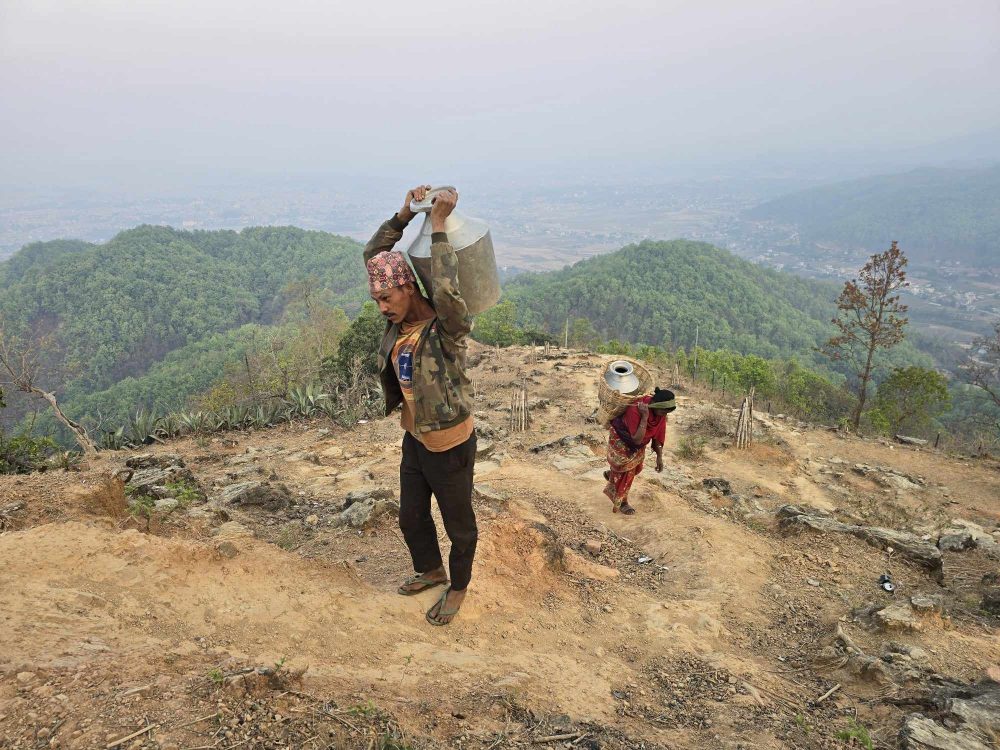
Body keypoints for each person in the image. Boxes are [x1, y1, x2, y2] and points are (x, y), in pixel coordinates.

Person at [363, 184, 477, 626]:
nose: (380, 307)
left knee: (459, 525)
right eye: (376, 299)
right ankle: (430, 569)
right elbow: (376, 252)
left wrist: (440, 227)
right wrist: (405, 212)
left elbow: (450, 294)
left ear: (408, 288)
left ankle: (459, 588)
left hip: (449, 444)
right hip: (415, 437)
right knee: (411, 517)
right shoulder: (396, 318)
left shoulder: (445, 329)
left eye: (386, 297)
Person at [603, 387, 676, 514]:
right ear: (654, 405)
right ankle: (622, 502)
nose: (664, 415)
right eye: (663, 411)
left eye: (666, 413)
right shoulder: (636, 409)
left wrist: (659, 457)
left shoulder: (660, 414)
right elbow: (636, 439)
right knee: (627, 471)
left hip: (638, 443)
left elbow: (659, 434)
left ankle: (614, 476)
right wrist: (644, 417)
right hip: (621, 438)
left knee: (637, 468)